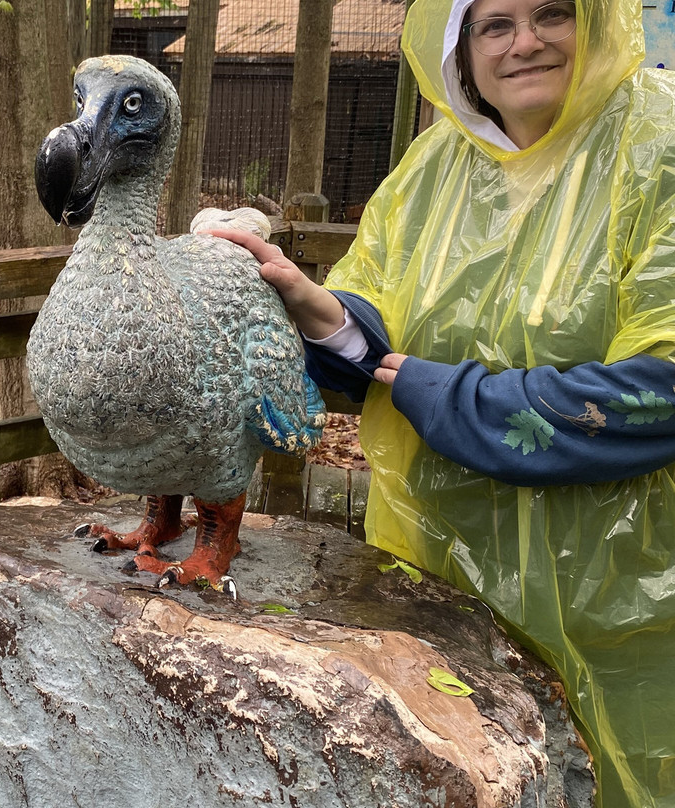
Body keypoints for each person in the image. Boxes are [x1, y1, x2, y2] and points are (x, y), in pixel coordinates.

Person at [215, 0, 675, 805]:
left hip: (624, 602)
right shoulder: (435, 168)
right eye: (496, 24)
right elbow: (380, 333)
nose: (526, 42)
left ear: (597, 22)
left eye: (551, 14)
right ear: (462, 49)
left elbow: (659, 394)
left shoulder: (658, 151)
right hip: (437, 579)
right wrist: (318, 310)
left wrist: (441, 392)